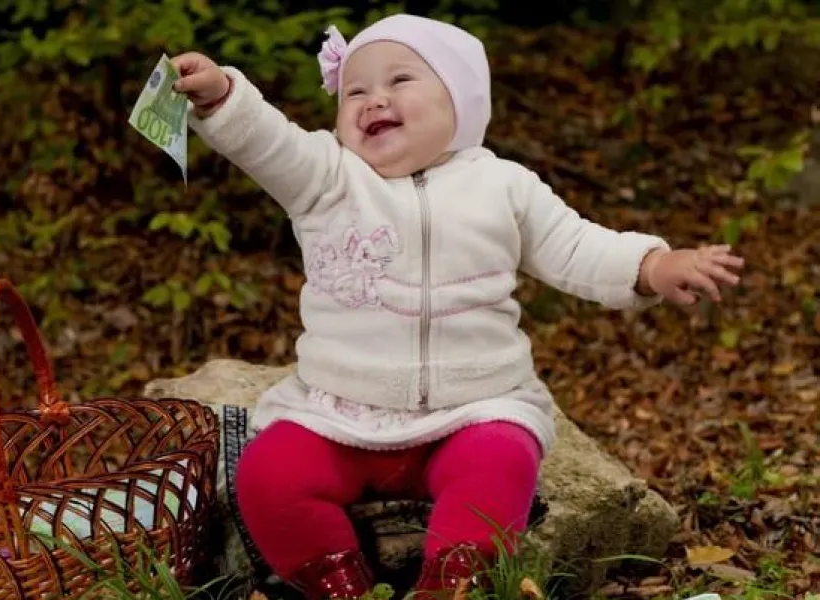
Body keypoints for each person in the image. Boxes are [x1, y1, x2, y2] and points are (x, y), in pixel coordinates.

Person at [169, 13, 744, 600]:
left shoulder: (503, 185)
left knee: (502, 463)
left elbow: (575, 246)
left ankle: (451, 582)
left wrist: (651, 266)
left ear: (460, 102)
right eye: (355, 91)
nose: (374, 100)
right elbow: (270, 142)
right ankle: (336, 583)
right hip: (340, 413)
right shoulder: (326, 179)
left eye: (400, 81)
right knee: (269, 475)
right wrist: (222, 97)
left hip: (474, 407)